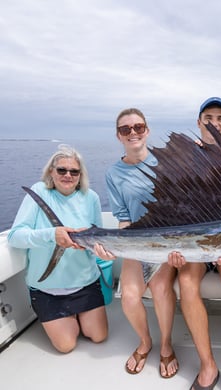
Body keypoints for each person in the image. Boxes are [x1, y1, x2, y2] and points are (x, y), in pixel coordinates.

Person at [168, 97, 221, 390]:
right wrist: (176, 250)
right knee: (187, 280)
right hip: (194, 242)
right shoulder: (183, 159)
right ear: (198, 122)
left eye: (220, 118)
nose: (214, 122)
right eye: (208, 117)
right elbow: (174, 208)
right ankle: (208, 365)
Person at [97, 108, 179, 378]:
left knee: (160, 289)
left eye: (138, 127)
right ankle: (146, 342)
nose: (133, 132)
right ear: (118, 136)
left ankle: (166, 344)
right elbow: (122, 219)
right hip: (136, 241)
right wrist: (120, 247)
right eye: (125, 129)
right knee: (129, 296)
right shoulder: (114, 173)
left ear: (147, 130)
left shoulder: (165, 164)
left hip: (167, 242)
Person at [7, 144, 108, 353]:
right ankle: (64, 316)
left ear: (80, 175)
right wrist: (52, 235)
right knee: (66, 345)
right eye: (62, 170)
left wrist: (98, 250)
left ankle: (76, 315)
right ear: (51, 172)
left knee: (99, 336)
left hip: (85, 284)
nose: (68, 175)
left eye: (74, 171)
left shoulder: (92, 198)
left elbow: (98, 237)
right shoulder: (38, 192)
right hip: (47, 289)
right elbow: (15, 236)